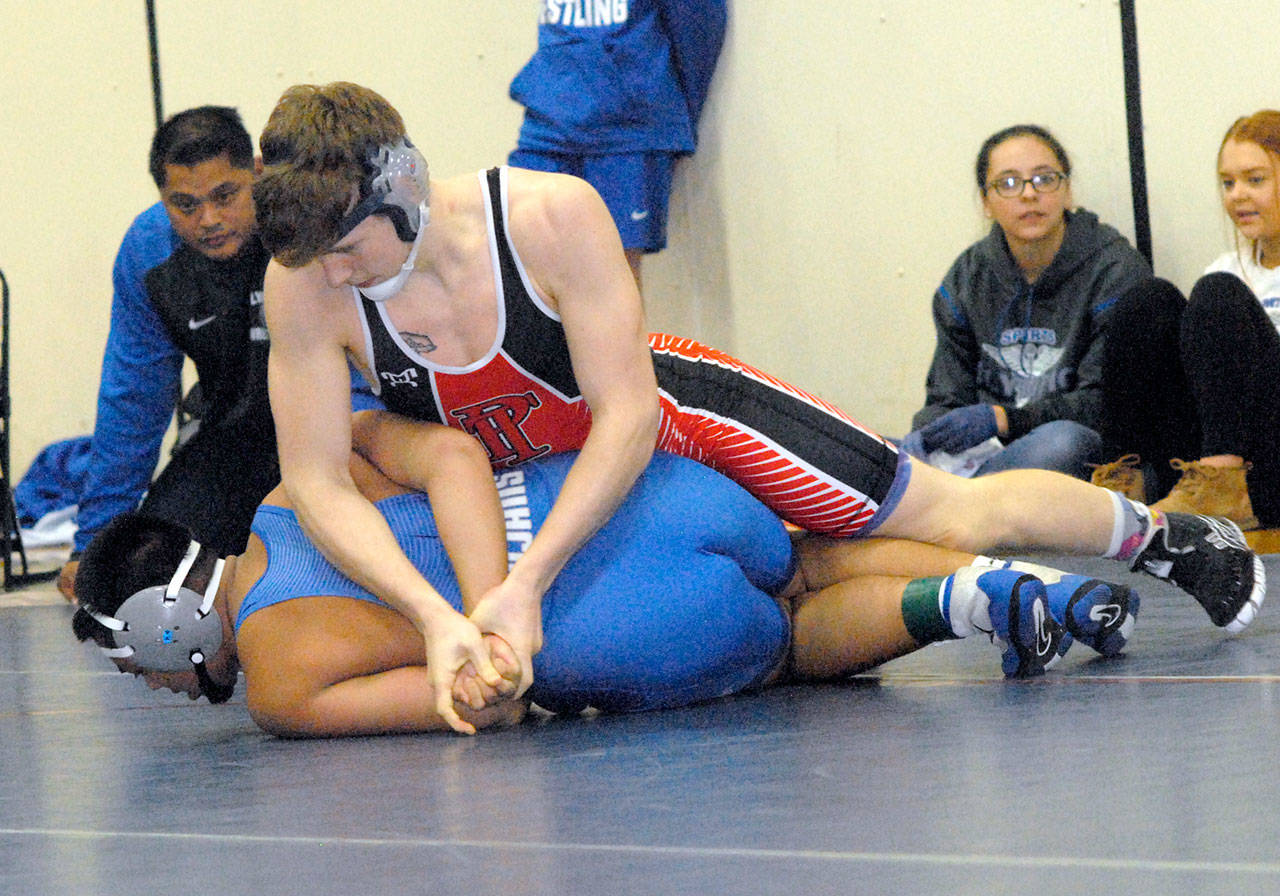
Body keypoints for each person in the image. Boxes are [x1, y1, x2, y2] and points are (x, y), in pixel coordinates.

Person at [250, 82, 1263, 721]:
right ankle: (985, 598)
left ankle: (1164, 538)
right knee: (788, 594)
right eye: (314, 260)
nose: (333, 278)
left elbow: (627, 413)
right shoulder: (303, 281)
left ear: (405, 193)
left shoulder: (548, 216)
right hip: (546, 465)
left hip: (669, 410)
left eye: (347, 250)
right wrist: (436, 615)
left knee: (940, 505)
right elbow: (315, 478)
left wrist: (529, 579)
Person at [71, 415, 1145, 737]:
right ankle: (1022, 583)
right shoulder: (293, 485)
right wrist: (508, 573)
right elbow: (450, 454)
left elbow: (486, 699)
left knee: (784, 645)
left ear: (166, 619)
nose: (152, 677)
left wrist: (498, 626)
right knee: (807, 553)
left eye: (138, 658)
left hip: (618, 622)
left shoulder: (278, 679)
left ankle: (967, 605)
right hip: (628, 493)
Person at [58, 106, 276, 604]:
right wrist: (93, 540)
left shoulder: (301, 225)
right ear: (162, 199)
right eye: (186, 205)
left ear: (257, 172)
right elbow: (133, 402)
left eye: (226, 195)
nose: (210, 220)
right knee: (142, 580)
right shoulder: (148, 252)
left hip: (337, 435)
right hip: (231, 437)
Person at [901, 124, 1152, 480]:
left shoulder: (1115, 269)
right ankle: (965, 498)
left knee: (1064, 443)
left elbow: (1106, 405)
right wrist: (926, 436)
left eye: (1045, 179)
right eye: (1008, 183)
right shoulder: (967, 277)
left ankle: (959, 500)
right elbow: (946, 397)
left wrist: (1005, 420)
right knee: (881, 450)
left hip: (1072, 453)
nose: (1029, 195)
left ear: (1067, 192)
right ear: (986, 203)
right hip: (987, 459)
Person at [1093, 110, 1280, 532]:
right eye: (1227, 183)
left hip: (1273, 461)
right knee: (1148, 299)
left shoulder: (1223, 288)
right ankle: (1124, 486)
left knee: (1217, 292)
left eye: (1255, 180)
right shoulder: (1229, 267)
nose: (1237, 195)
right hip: (1221, 449)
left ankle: (1224, 484)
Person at [507, 0, 726, 288]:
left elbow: (700, 26)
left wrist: (670, 116)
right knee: (528, 268)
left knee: (615, 277)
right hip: (548, 124)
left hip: (626, 134)